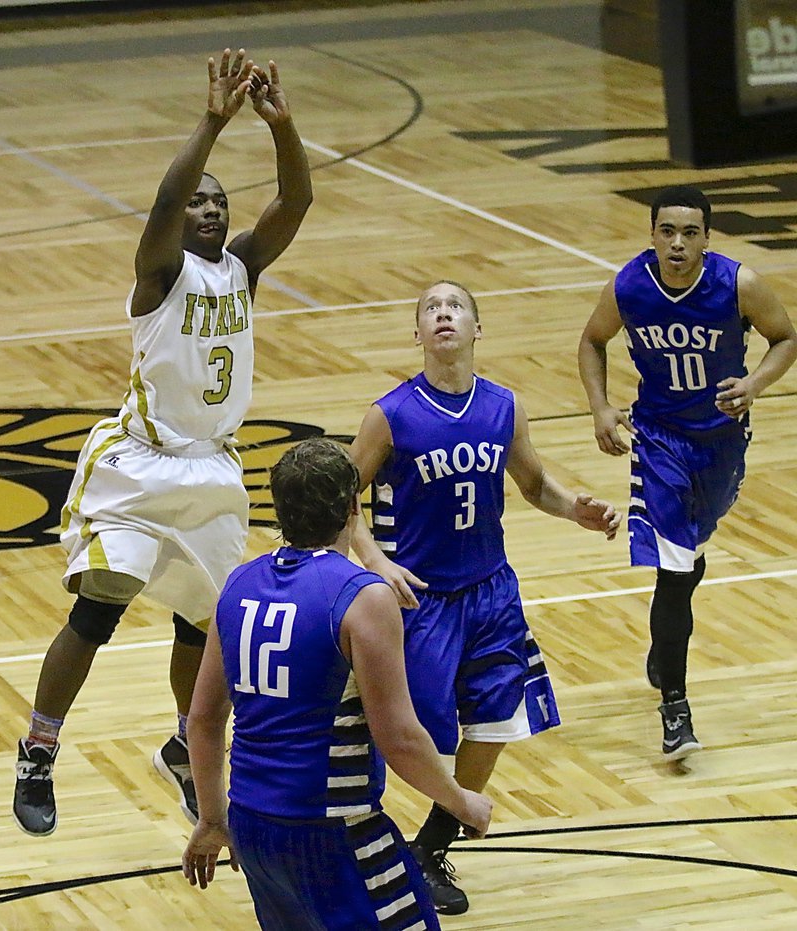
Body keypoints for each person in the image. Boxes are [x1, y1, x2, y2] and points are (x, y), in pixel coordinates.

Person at [12, 49, 313, 837]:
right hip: (138, 464)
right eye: (199, 203)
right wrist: (212, 123)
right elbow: (166, 199)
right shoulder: (159, 274)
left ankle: (185, 746)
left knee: (204, 624)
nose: (210, 210)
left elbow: (297, 199)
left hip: (212, 467)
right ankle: (39, 749)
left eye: (220, 203)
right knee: (100, 607)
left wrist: (281, 127)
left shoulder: (242, 268)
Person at [348, 281, 621, 916]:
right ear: (418, 334)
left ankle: (430, 849)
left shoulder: (504, 406)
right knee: (400, 729)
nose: (443, 315)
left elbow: (532, 483)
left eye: (456, 307)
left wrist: (573, 509)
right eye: (430, 309)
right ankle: (353, 835)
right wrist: (375, 561)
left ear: (478, 329)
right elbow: (341, 496)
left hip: (491, 591)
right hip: (420, 598)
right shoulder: (390, 413)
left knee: (497, 718)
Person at [181, 437, 491, 931]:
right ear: (353, 506)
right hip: (332, 826)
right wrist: (461, 801)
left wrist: (213, 818)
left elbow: (202, 719)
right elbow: (400, 738)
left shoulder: (238, 584)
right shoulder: (362, 596)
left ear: (278, 509)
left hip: (252, 822)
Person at [578, 184, 796, 762]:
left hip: (721, 443)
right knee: (673, 572)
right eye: (667, 231)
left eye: (690, 233)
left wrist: (754, 384)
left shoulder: (738, 284)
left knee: (690, 557)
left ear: (706, 238)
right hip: (659, 442)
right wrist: (601, 407)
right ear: (652, 235)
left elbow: (785, 338)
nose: (677, 243)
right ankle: (675, 707)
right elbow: (592, 340)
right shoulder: (628, 285)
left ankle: (664, 648)